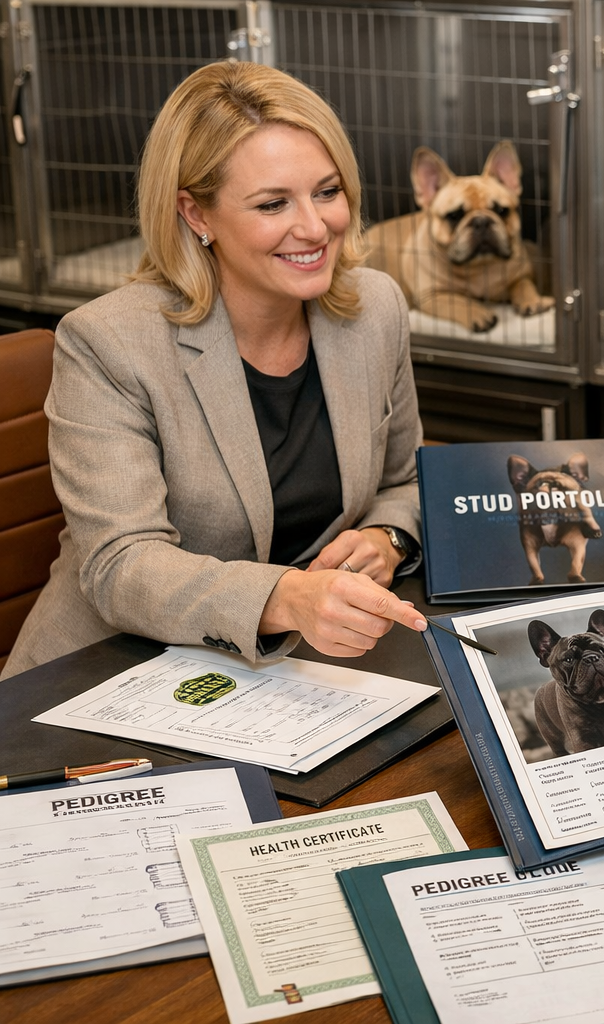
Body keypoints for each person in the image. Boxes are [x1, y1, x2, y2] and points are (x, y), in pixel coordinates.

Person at [3, 61, 427, 680]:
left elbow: (408, 481)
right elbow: (121, 563)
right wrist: (283, 597)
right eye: (273, 203)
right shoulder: (108, 341)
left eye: (328, 192)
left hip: (290, 674)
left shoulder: (376, 306)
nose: (314, 227)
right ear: (197, 216)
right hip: (108, 673)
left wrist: (388, 540)